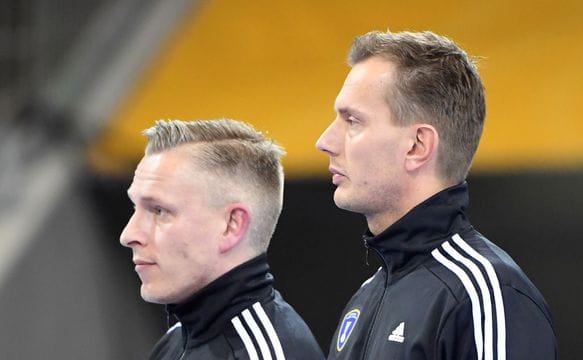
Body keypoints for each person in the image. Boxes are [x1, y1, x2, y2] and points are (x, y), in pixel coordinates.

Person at [316, 30, 557, 359]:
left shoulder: (486, 295)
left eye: (353, 121)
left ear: (417, 146)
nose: (325, 141)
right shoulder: (366, 298)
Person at [120, 119, 325, 360]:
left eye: (159, 211)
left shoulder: (263, 353)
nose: (129, 235)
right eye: (136, 207)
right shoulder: (175, 342)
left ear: (231, 226)